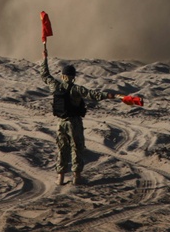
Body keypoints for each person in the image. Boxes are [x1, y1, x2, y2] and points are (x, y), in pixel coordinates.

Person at [40, 47, 117, 185]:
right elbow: (93, 95)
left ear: (63, 76)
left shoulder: (55, 86)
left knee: (62, 148)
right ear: (73, 77)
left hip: (61, 123)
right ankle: (76, 177)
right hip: (74, 122)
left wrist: (44, 58)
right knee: (77, 148)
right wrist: (109, 95)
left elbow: (45, 75)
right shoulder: (76, 89)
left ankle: (60, 178)